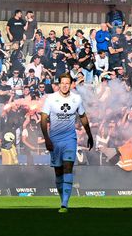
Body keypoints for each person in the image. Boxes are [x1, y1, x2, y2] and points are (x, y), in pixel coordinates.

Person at [39, 73, 94, 213]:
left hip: (70, 139)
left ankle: (65, 203)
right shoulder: (51, 98)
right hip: (55, 140)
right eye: (62, 83)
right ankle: (62, 198)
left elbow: (83, 117)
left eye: (67, 83)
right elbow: (43, 119)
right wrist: (47, 139)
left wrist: (89, 135)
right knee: (58, 171)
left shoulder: (76, 98)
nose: (64, 85)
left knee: (67, 167)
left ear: (71, 84)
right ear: (58, 84)